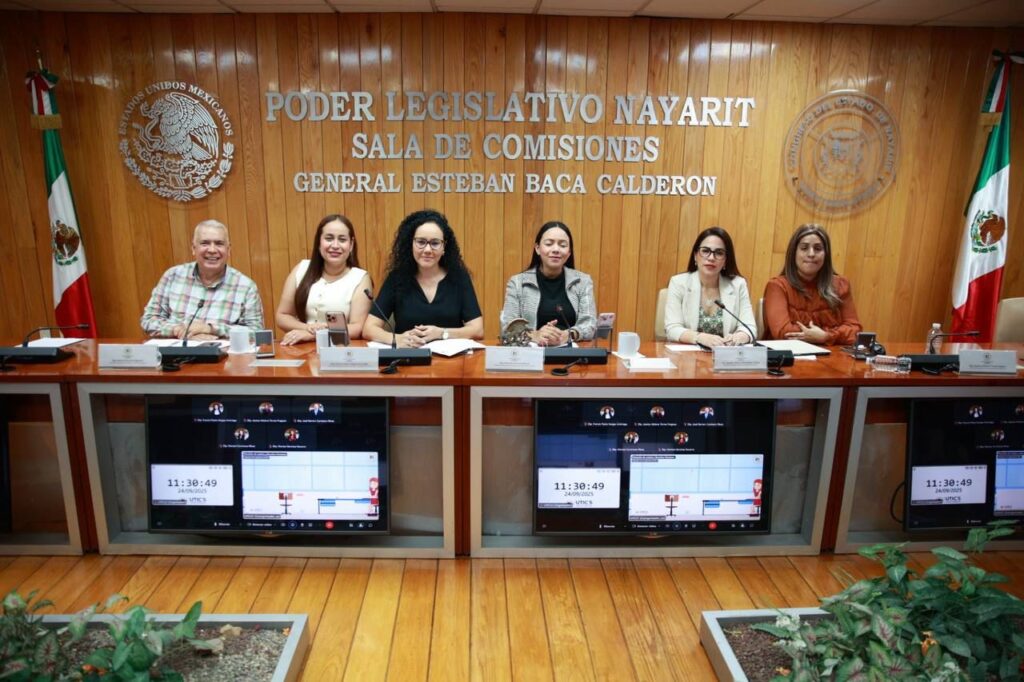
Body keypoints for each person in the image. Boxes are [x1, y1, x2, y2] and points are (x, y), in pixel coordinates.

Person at [363, 209, 484, 348]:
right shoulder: (397, 278)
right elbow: (369, 328)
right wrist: (397, 339)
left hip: (451, 358)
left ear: (444, 247)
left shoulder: (459, 278)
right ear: (411, 244)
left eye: (435, 243)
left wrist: (442, 333)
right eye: (421, 242)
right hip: (408, 356)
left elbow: (477, 329)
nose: (427, 250)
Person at [140, 219, 263, 339]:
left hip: (220, 352)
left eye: (219, 244)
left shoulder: (246, 287)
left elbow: (256, 332)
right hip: (176, 350)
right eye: (205, 243)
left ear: (228, 249)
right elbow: (148, 320)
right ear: (194, 249)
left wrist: (211, 329)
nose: (212, 250)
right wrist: (179, 330)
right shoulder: (172, 276)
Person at [275, 214, 372, 345]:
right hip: (300, 346)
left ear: (351, 245)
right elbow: (282, 316)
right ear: (319, 242)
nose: (335, 245)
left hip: (340, 348)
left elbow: (357, 328)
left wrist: (314, 335)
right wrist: (308, 329)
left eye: (342, 240)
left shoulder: (360, 278)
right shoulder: (302, 269)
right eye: (329, 238)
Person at [500, 221, 596, 346]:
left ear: (569, 253)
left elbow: (590, 324)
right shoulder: (517, 283)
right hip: (530, 352)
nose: (556, 249)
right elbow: (507, 329)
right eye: (549, 244)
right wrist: (535, 335)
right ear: (537, 249)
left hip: (570, 351)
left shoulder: (582, 282)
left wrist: (568, 335)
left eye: (562, 245)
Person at [763, 224, 862, 346]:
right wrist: (818, 336)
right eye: (804, 248)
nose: (811, 254)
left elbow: (855, 331)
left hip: (833, 354)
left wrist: (826, 336)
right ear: (794, 253)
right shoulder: (778, 286)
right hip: (791, 354)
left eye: (818, 249)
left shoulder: (841, 285)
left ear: (826, 255)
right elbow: (782, 332)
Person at [663, 226, 756, 346]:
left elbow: (749, 327)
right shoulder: (678, 283)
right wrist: (699, 337)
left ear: (726, 260)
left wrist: (739, 337)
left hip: (726, 354)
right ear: (695, 255)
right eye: (705, 251)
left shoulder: (738, 285)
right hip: (688, 355)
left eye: (719, 253)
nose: (711, 258)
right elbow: (672, 328)